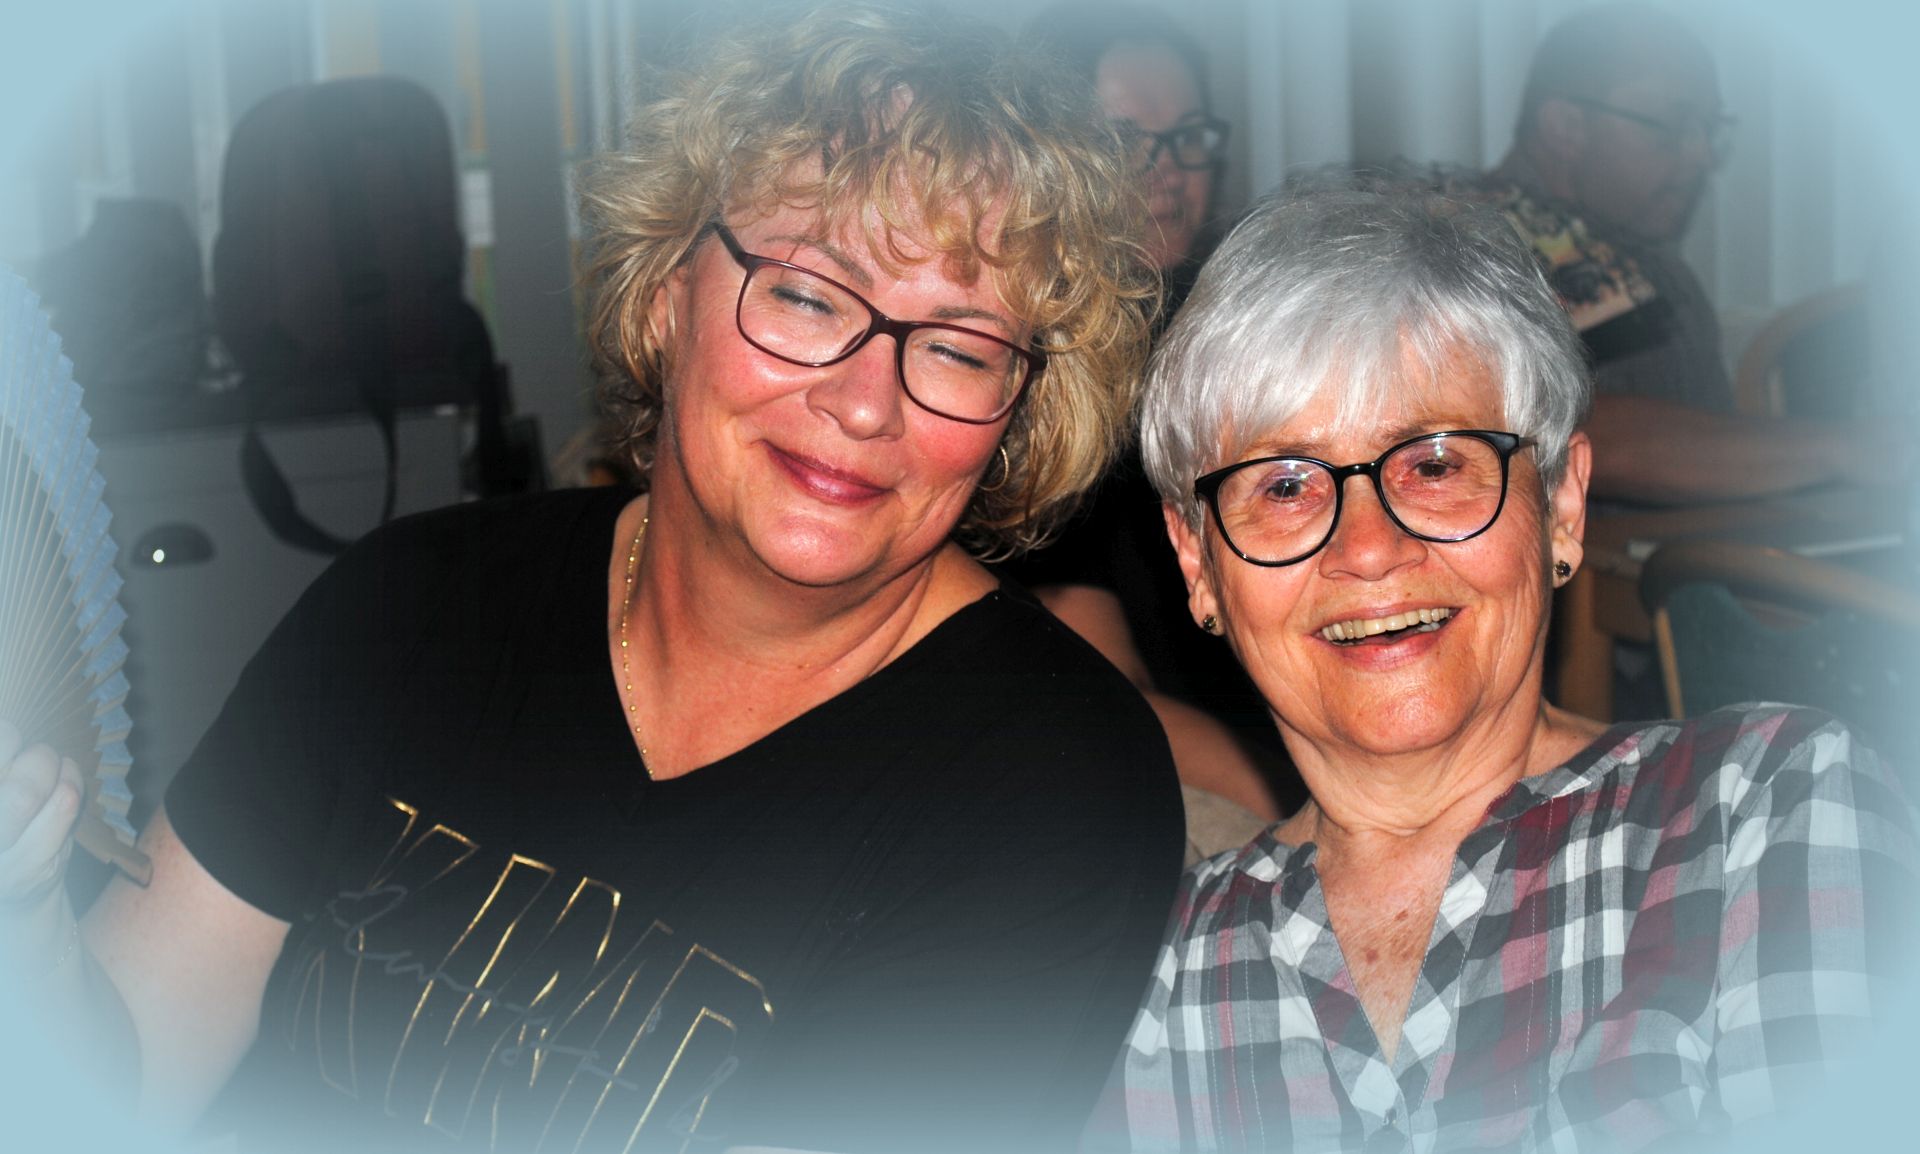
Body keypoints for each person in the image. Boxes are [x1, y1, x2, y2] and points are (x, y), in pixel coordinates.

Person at [0, 7, 1185, 1152]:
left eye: (962, 348)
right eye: (807, 294)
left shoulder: (1056, 788)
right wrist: (28, 912)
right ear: (669, 296)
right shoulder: (407, 605)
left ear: (1021, 408)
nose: (866, 401)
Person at [1081, 188, 1916, 1150]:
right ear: (1198, 564)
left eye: (1436, 465)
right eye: (1285, 486)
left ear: (1561, 505)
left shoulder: (1759, 820)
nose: (1369, 549)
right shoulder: (1149, 979)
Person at [1009, 4, 1292, 836]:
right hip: (1168, 775)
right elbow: (1105, 693)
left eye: (1188, 137)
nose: (1168, 173)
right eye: (1125, 142)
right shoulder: (1044, 377)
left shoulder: (1233, 326)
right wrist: (1310, 808)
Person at [1485, 2, 1913, 506]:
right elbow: (1571, 433)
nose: (1702, 154)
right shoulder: (1481, 253)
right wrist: (1843, 450)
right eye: (1672, 124)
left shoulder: (1647, 261)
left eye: (1709, 129)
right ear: (1566, 127)